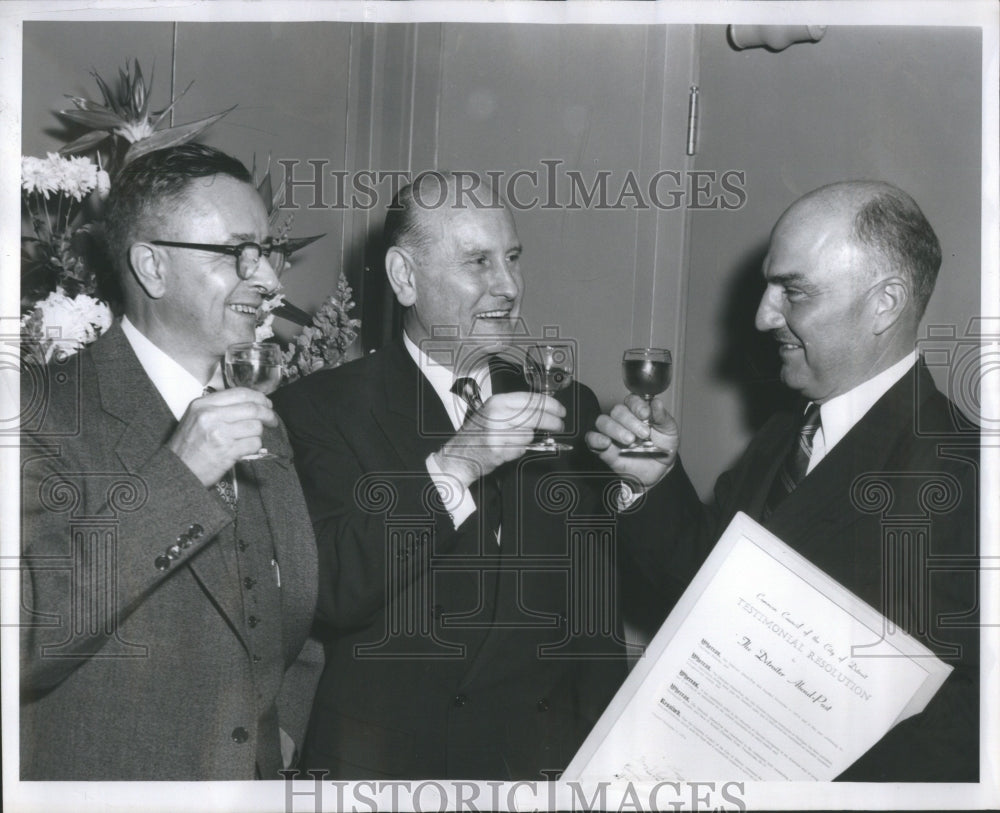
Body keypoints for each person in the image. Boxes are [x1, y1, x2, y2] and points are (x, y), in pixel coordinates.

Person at [587, 180, 979, 782]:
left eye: (793, 292)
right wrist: (653, 483)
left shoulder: (964, 477)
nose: (762, 316)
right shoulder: (780, 436)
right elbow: (707, 590)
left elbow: (962, 734)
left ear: (885, 303)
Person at [273, 171, 628, 779]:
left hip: (536, 770)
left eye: (513, 258)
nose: (510, 286)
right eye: (479, 262)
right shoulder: (319, 410)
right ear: (404, 277)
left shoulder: (570, 405)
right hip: (388, 772)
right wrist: (458, 464)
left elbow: (596, 619)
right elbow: (328, 591)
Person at [19, 143, 320, 780]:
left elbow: (297, 606)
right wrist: (179, 475)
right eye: (238, 253)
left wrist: (281, 726)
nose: (269, 280)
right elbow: (24, 640)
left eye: (267, 253)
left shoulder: (262, 413)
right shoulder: (37, 415)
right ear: (152, 268)